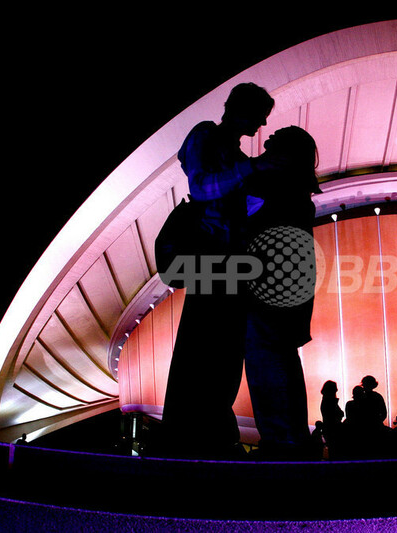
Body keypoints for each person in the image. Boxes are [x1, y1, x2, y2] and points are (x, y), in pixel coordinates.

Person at [158, 82, 280, 460]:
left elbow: (244, 201)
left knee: (225, 347)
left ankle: (209, 429)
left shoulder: (235, 152)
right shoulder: (205, 135)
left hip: (228, 257)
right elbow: (201, 186)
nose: (261, 124)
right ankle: (190, 433)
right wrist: (254, 168)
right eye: (259, 115)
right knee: (203, 341)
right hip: (210, 254)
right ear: (241, 109)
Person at [241, 126, 322, 460]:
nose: (268, 137)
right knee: (276, 357)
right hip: (283, 289)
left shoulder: (275, 186)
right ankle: (287, 438)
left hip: (268, 288)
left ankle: (283, 440)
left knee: (266, 358)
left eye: (278, 137)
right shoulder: (296, 193)